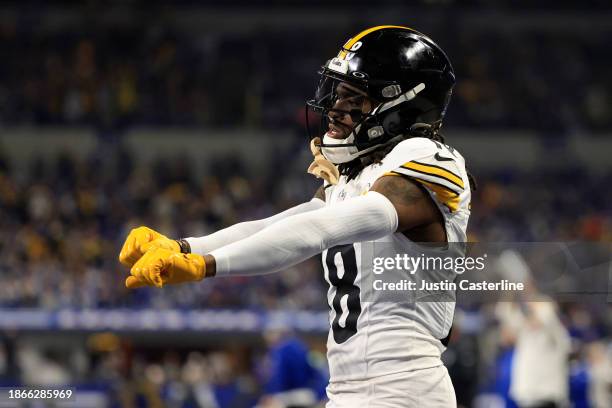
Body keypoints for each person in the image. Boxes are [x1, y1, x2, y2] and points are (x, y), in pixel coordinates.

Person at [119, 25, 473, 407]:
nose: (336, 110)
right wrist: (184, 245)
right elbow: (286, 222)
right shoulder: (360, 174)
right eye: (338, 94)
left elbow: (320, 228)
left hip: (405, 391)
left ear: (403, 106)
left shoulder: (426, 157)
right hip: (351, 391)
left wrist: (206, 264)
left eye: (355, 99)